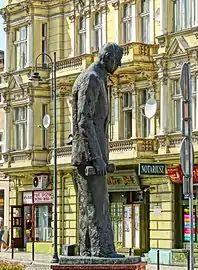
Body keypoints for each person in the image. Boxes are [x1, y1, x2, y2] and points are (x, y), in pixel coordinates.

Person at [71, 43, 123, 257]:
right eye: (117, 60)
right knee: (98, 206)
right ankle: (101, 251)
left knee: (89, 206)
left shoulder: (97, 77)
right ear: (108, 57)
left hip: (90, 154)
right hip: (91, 157)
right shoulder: (92, 78)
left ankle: (89, 251)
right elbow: (84, 120)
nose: (118, 65)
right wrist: (97, 157)